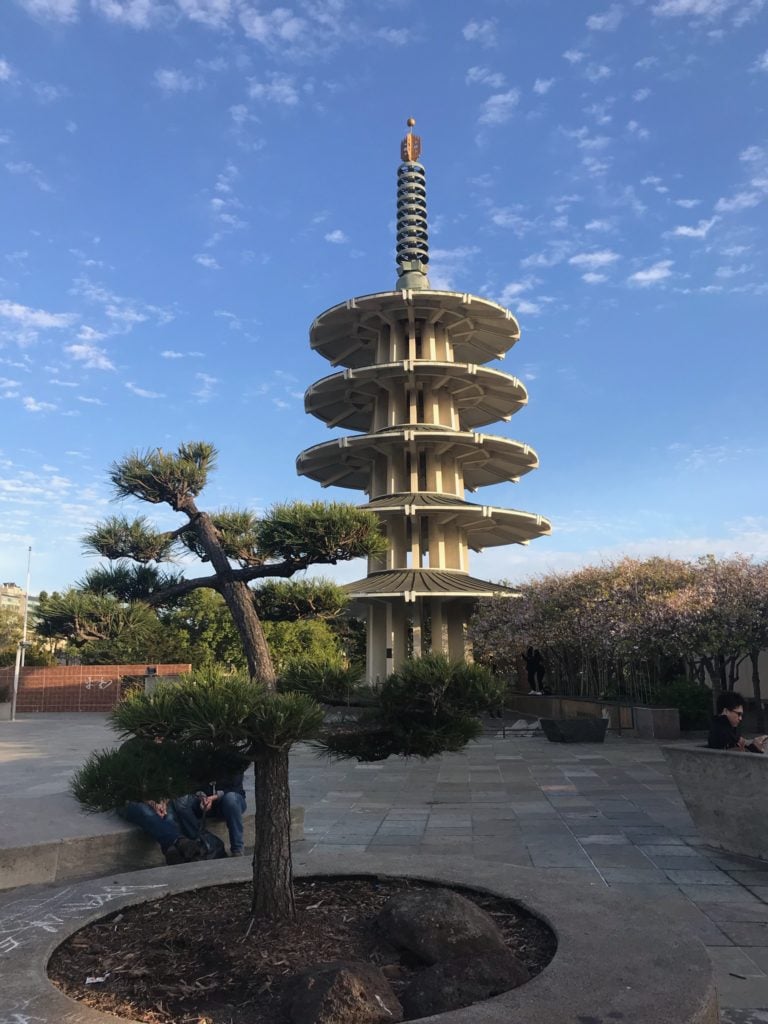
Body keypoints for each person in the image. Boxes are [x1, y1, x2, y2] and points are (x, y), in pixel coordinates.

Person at [171, 749, 249, 857]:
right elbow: (192, 784)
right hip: (204, 801)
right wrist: (202, 796)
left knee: (231, 799)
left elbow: (235, 788)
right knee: (180, 800)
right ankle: (206, 841)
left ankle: (237, 849)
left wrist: (215, 797)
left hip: (227, 800)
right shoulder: (199, 754)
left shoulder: (234, 756)